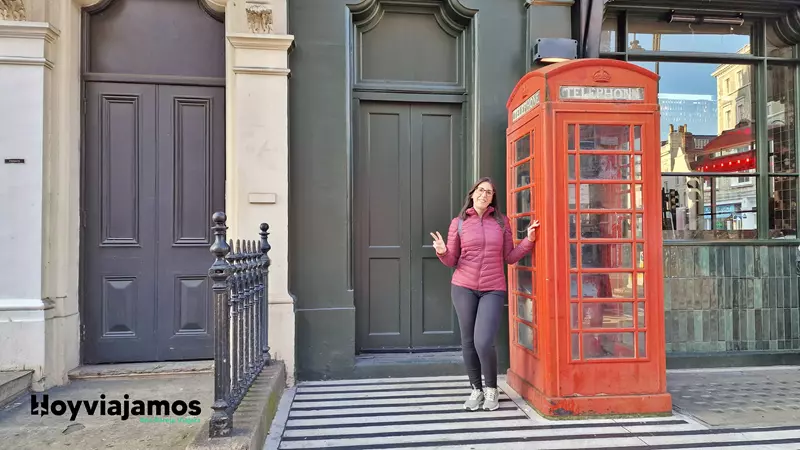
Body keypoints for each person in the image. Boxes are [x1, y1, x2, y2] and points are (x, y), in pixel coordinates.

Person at [430, 177, 539, 411]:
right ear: (472, 194)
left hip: (493, 288)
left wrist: (529, 240)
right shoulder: (458, 223)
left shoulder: (501, 222)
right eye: (481, 191)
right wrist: (442, 251)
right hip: (463, 287)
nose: (484, 195)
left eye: (489, 192)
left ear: (493, 198)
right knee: (468, 341)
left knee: (484, 341)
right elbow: (452, 260)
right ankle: (476, 390)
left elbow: (509, 256)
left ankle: (491, 389)